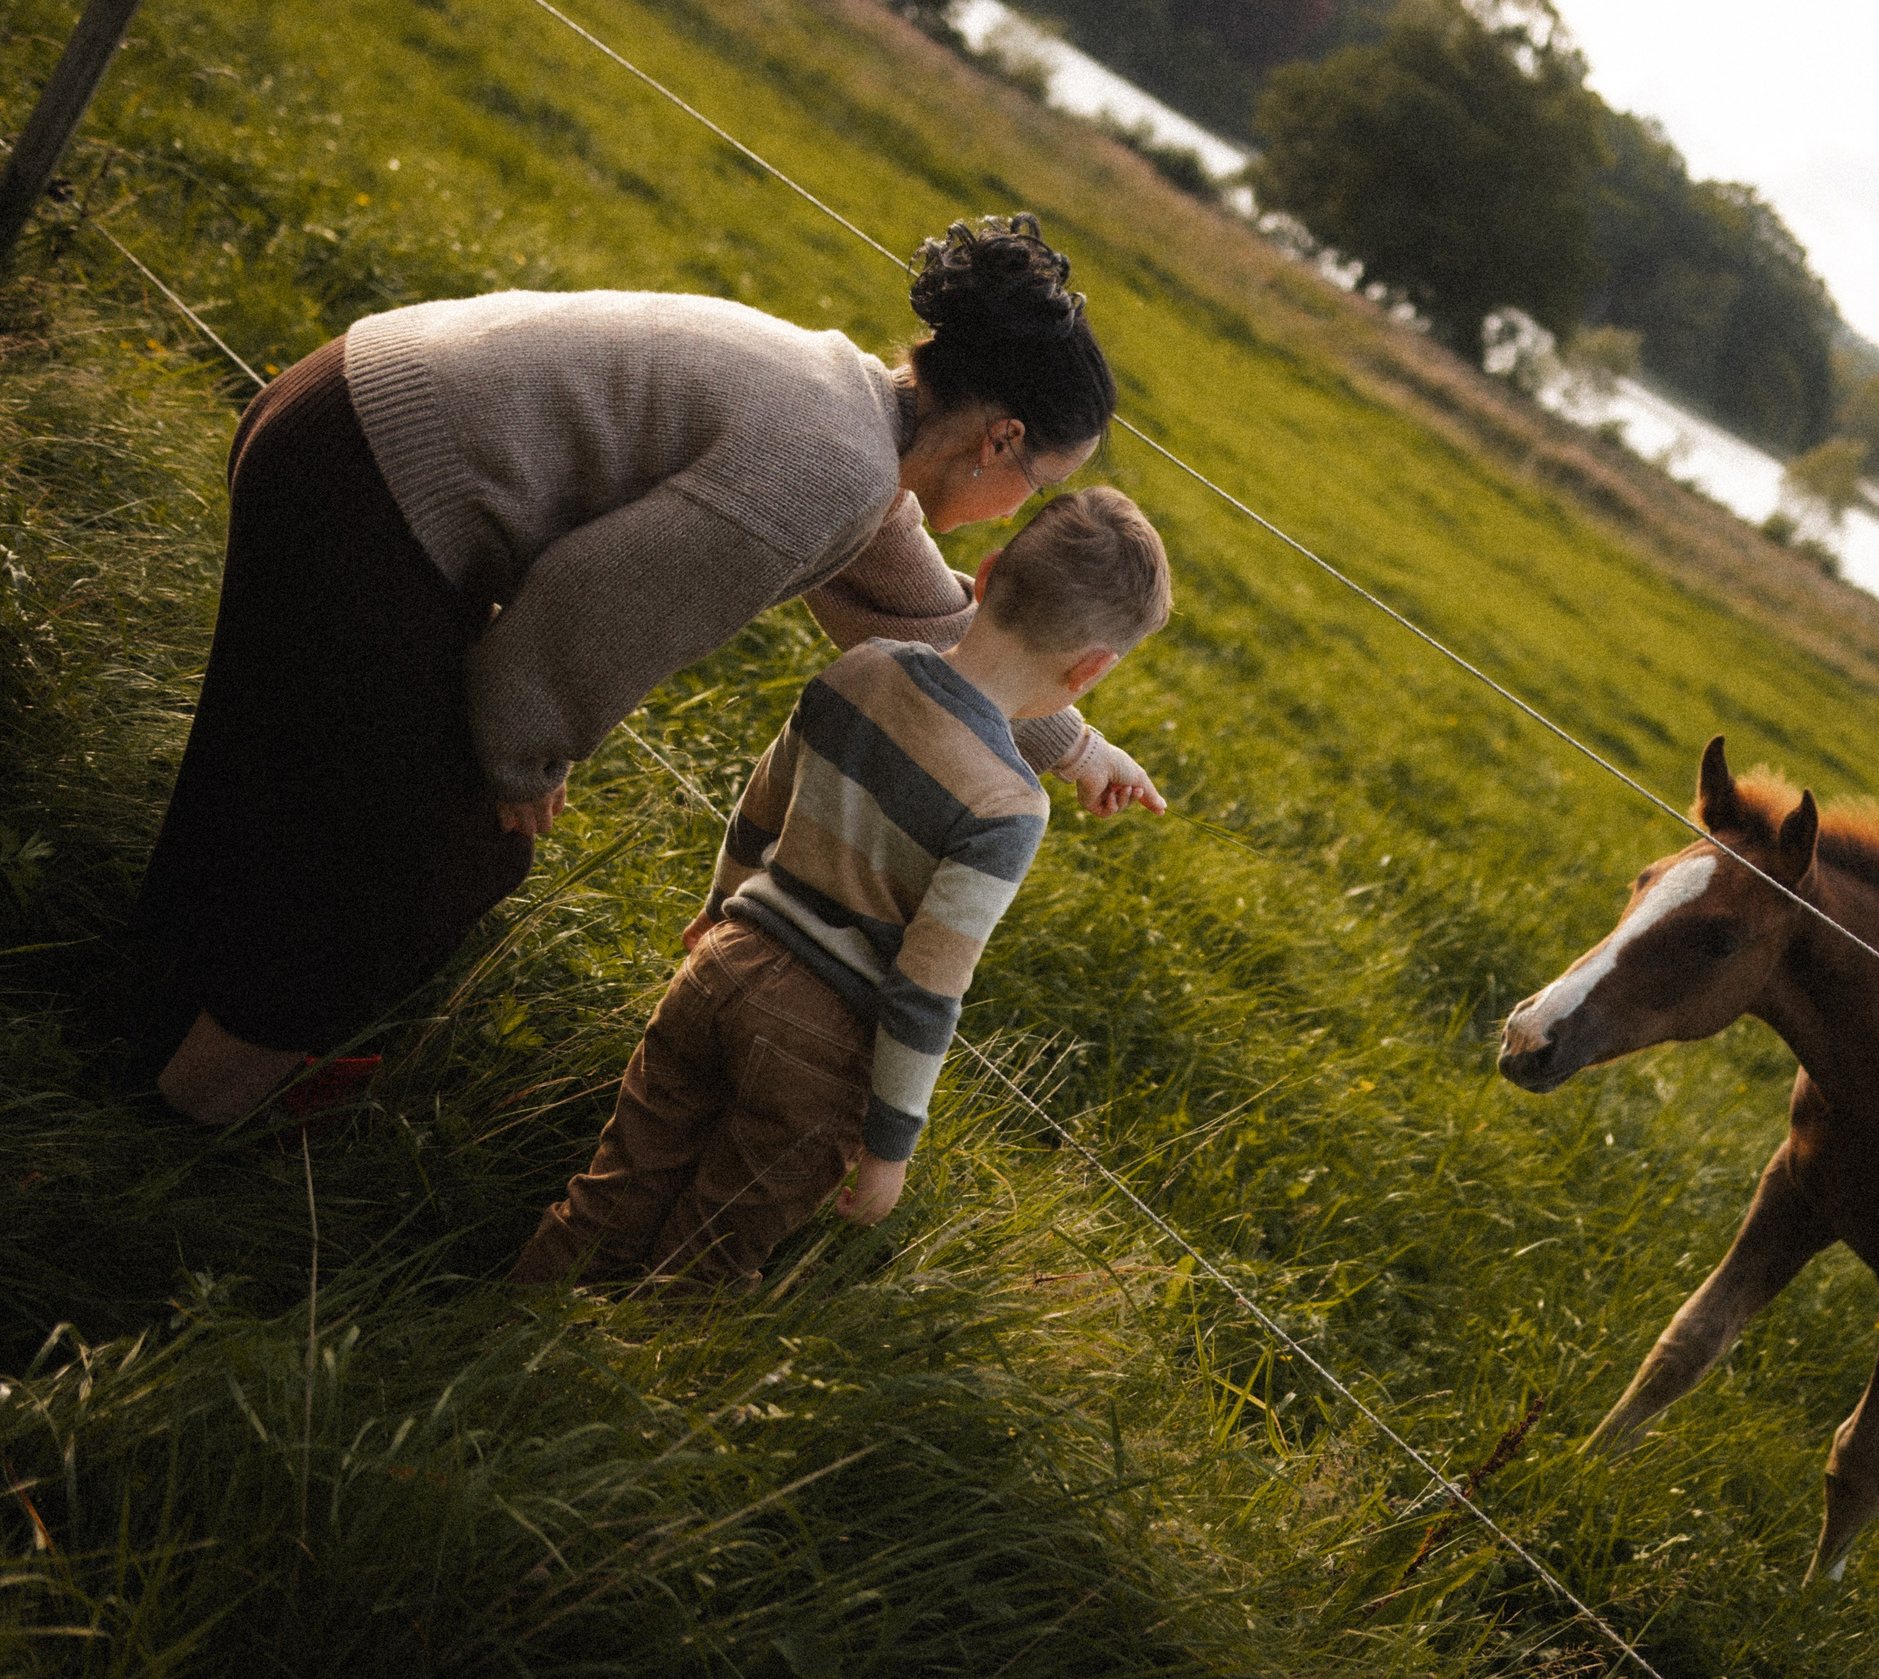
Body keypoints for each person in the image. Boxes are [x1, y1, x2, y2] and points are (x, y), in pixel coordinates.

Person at [131, 214, 1157, 1124]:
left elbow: (946, 632)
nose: (1019, 510)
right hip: (370, 478)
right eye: (1038, 484)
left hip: (342, 412)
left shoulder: (854, 417)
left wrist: (1073, 745)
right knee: (440, 845)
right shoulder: (828, 469)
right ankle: (196, 1107)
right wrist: (521, 760)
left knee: (282, 749)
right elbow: (585, 605)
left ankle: (152, 1004)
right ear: (1000, 439)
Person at [509, 486, 1171, 1287]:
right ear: (1093, 668)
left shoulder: (866, 664)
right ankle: (619, 1382)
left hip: (723, 963)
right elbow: (928, 987)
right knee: (708, 1259)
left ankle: (510, 1327)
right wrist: (891, 1146)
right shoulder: (1008, 805)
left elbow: (761, 802)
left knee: (612, 1191)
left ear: (987, 574)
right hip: (819, 1046)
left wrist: (718, 910)